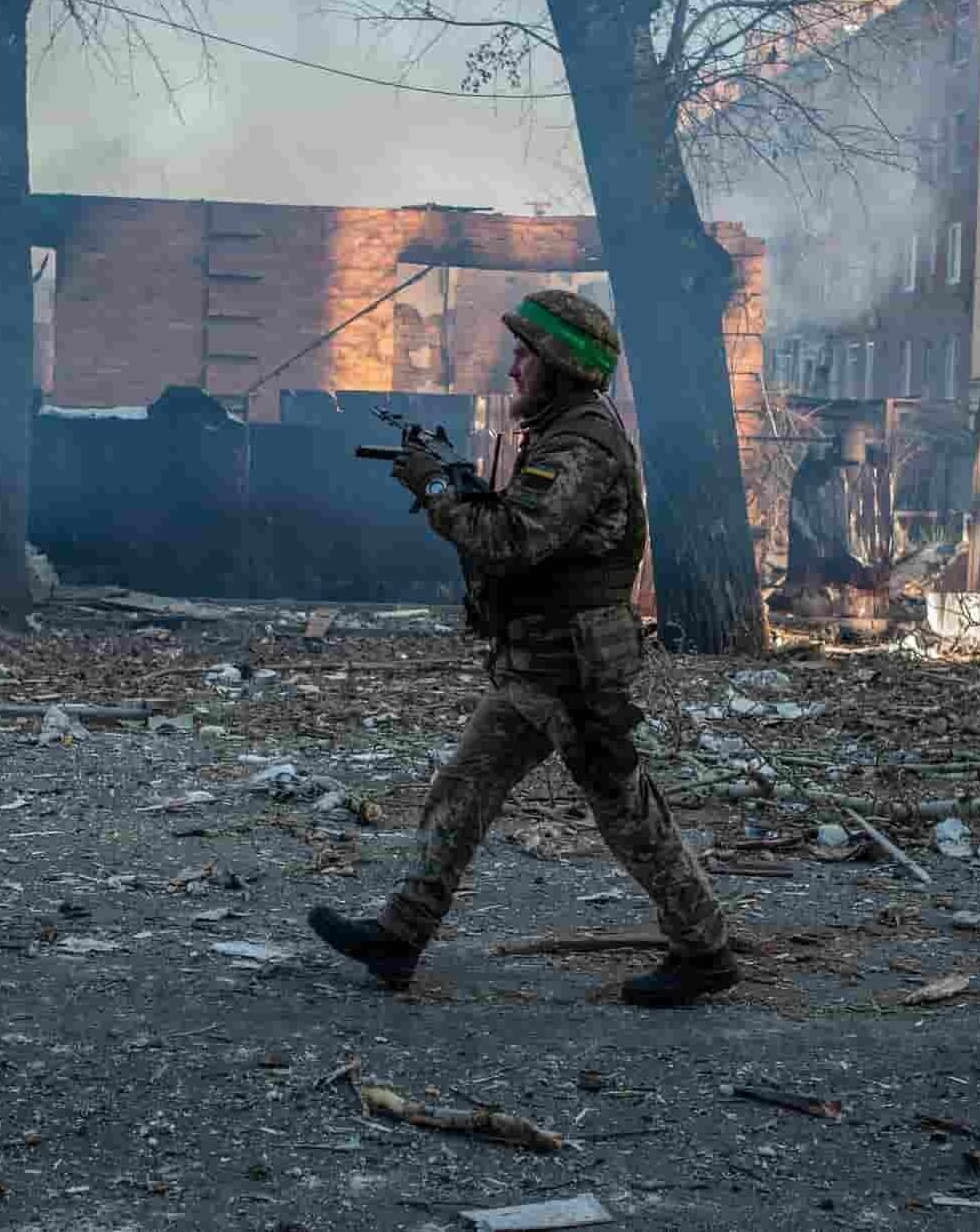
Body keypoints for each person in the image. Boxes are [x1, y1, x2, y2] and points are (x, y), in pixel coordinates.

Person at [307, 290, 740, 1008]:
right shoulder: (562, 431)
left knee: (624, 808)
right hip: (539, 663)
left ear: (559, 365)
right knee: (466, 785)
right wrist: (463, 486)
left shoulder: (581, 444)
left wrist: (442, 490)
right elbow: (524, 527)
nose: (512, 369)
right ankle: (400, 936)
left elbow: (514, 541)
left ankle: (706, 949)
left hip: (573, 669)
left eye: (523, 355)